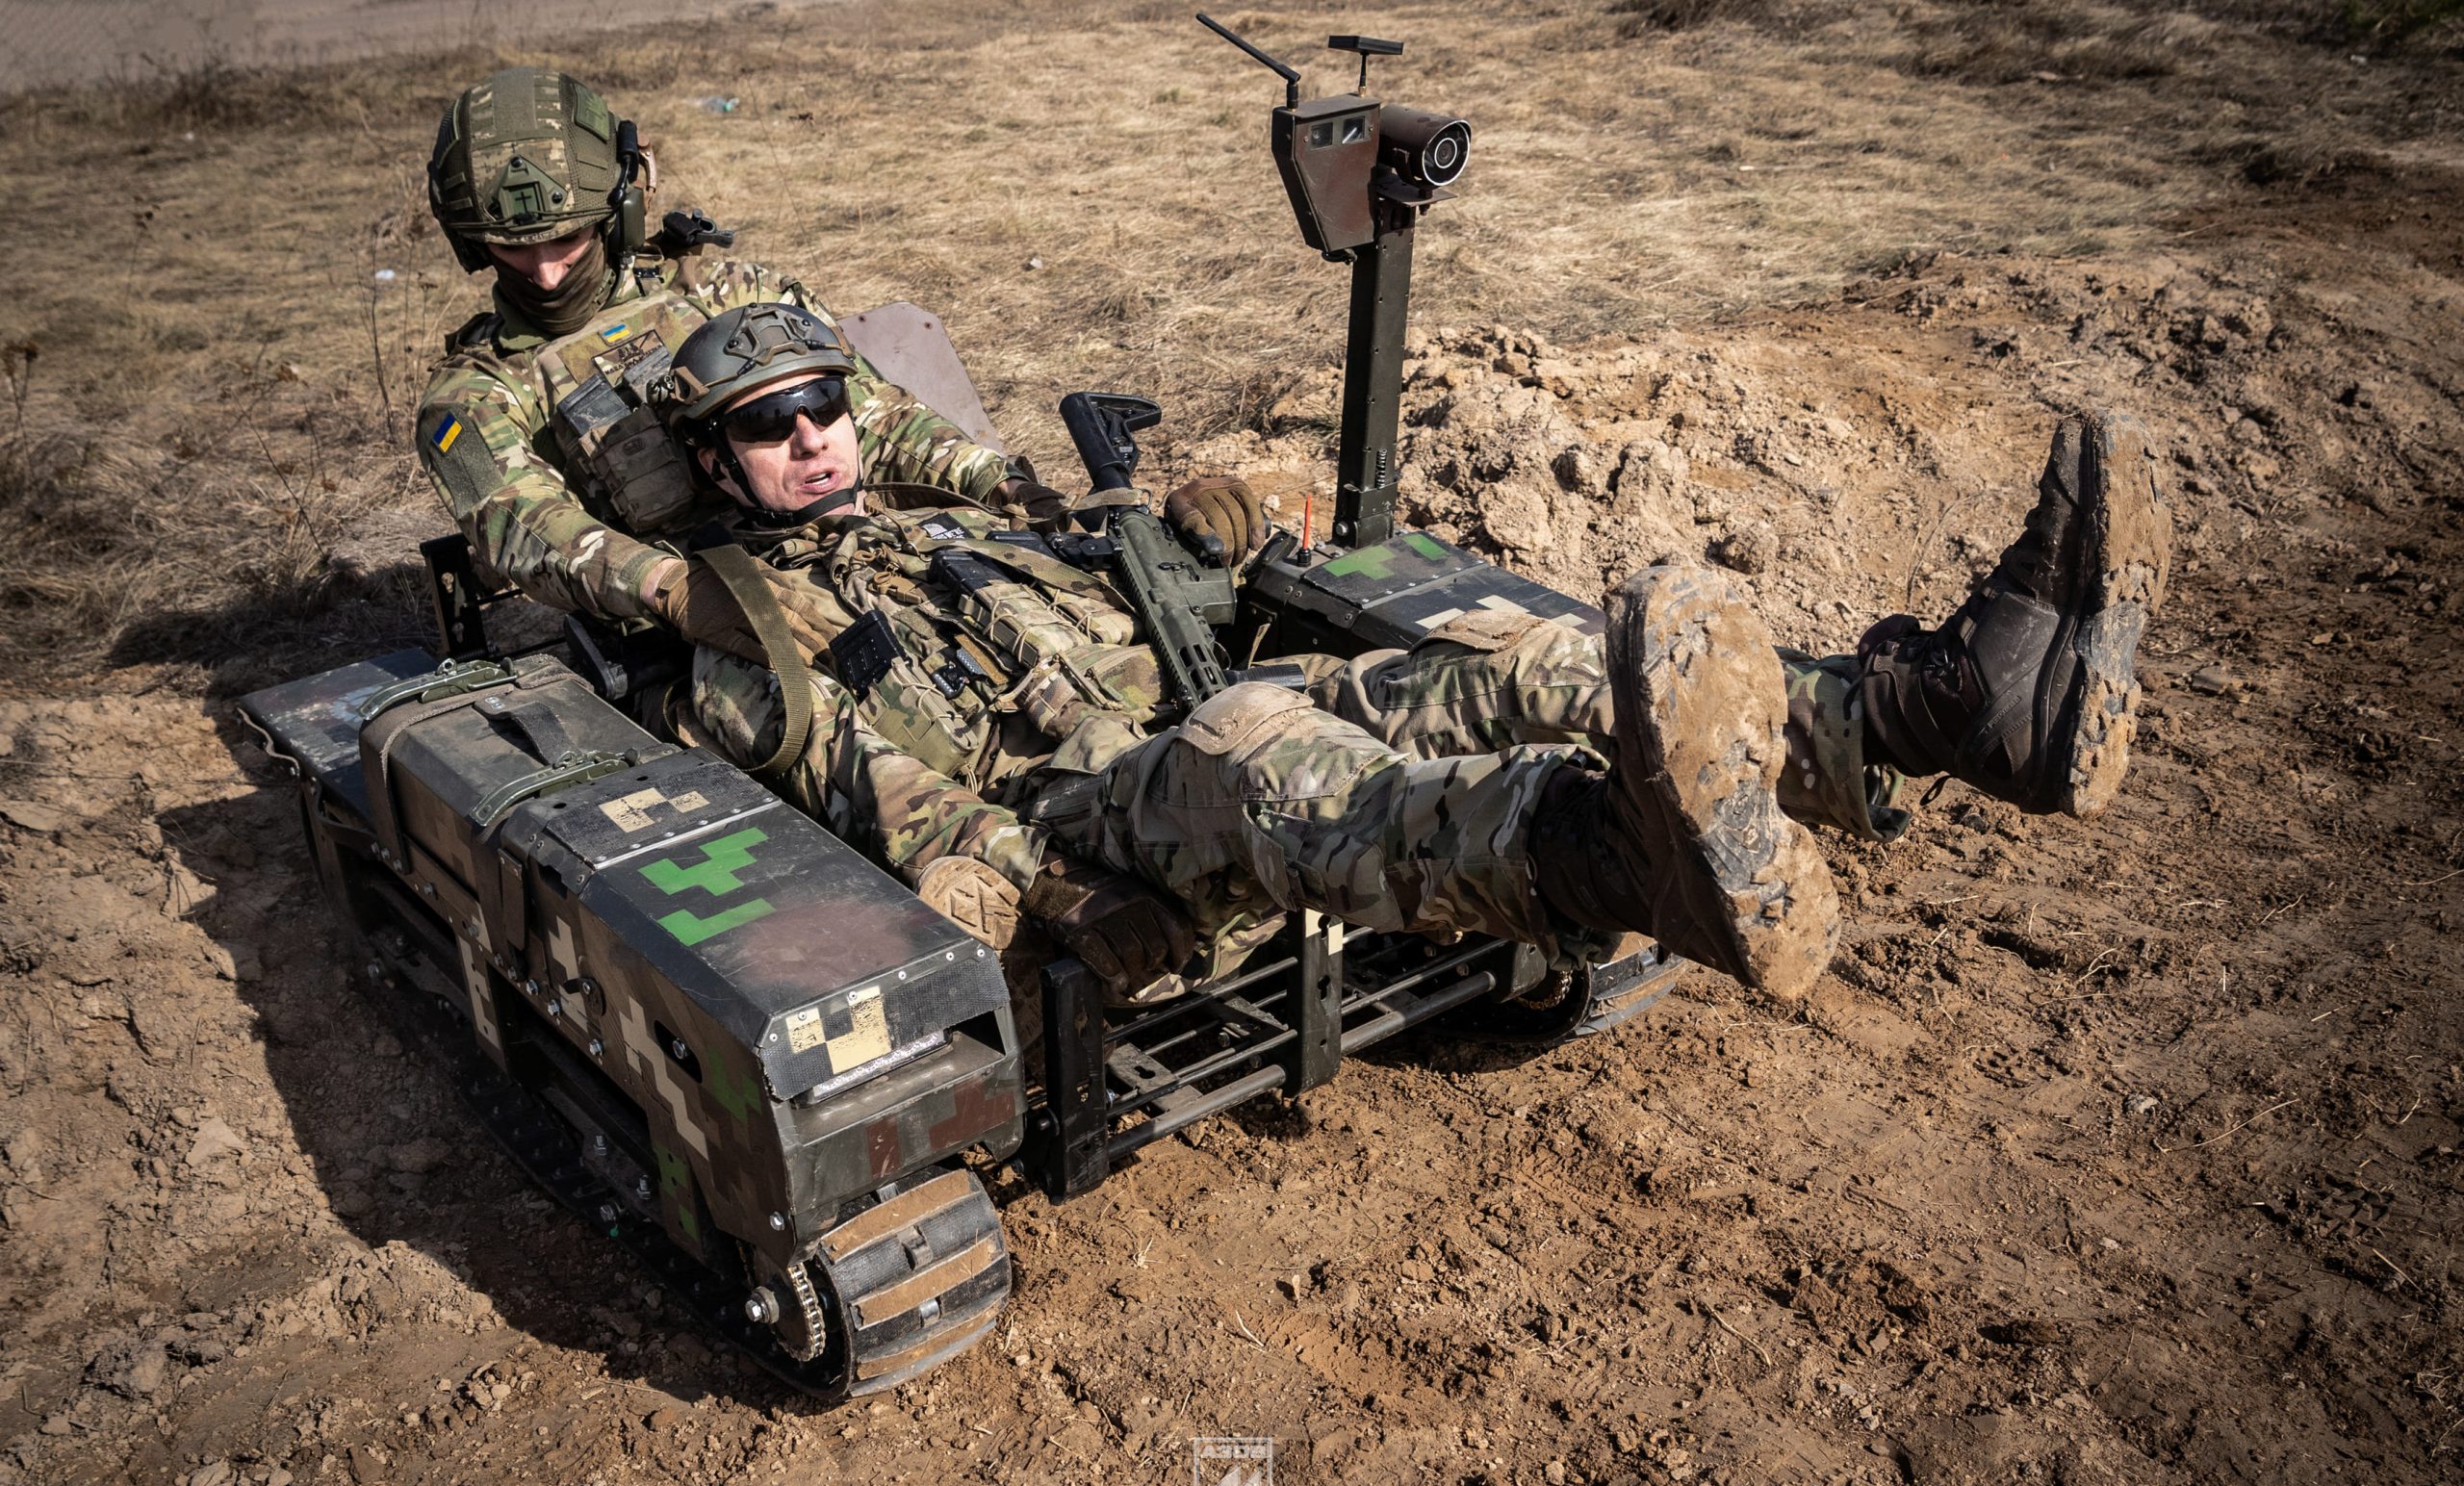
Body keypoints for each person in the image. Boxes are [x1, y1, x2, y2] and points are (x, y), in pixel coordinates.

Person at [645, 304, 2171, 1005]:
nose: (811, 437)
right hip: (1090, 812)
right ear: (717, 463)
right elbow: (888, 801)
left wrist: (1201, 526)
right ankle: (1618, 862)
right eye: (768, 427)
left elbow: (1146, 593)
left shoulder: (952, 514)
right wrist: (1031, 885)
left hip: (1207, 702)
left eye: (823, 404)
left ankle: (1950, 709)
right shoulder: (747, 638)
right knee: (1271, 758)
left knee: (1513, 661)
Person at [410, 66, 1064, 642]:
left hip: (868, 557)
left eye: (568, 238)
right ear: (469, 241)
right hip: (702, 627)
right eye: (515, 248)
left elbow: (870, 420)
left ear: (621, 205)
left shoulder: (732, 294)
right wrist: (672, 590)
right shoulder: (472, 397)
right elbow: (522, 525)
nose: (547, 273)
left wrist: (1001, 486)